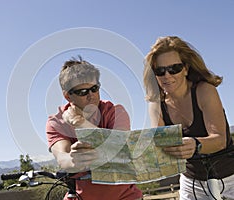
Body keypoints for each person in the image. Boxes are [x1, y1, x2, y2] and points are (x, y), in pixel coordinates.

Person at [143, 36, 234, 200]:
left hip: (229, 179)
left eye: (174, 68)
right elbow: (162, 149)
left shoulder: (204, 91)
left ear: (186, 69)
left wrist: (196, 144)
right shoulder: (156, 104)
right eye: (160, 71)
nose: (167, 75)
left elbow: (220, 140)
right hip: (191, 183)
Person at [46, 56, 143, 200]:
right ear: (68, 96)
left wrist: (79, 122)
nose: (91, 96)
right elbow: (62, 158)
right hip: (81, 195)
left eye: (94, 89)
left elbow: (118, 148)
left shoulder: (116, 112)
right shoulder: (56, 122)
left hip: (124, 195)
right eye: (83, 92)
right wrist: (74, 160)